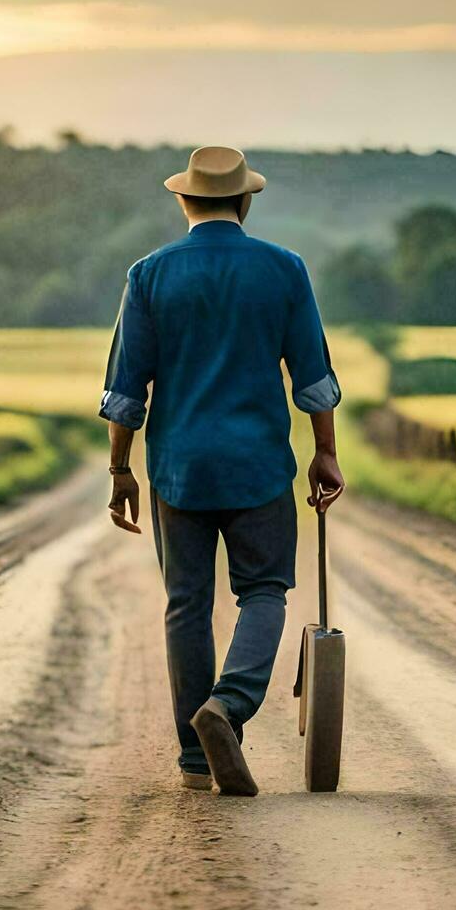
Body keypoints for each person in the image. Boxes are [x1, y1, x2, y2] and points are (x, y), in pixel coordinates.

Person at [99, 145, 344, 796]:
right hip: (260, 466)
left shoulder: (149, 274)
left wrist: (120, 467)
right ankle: (227, 708)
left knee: (186, 604)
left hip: (179, 467)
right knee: (263, 592)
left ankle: (194, 757)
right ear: (245, 200)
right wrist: (325, 451)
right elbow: (313, 377)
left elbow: (127, 391)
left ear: (184, 200)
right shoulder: (284, 270)